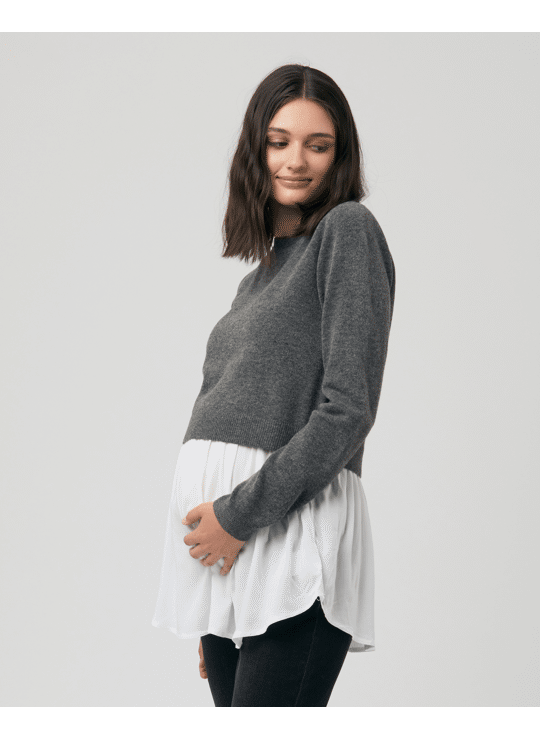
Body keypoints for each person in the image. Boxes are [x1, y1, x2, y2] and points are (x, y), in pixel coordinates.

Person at [152, 63, 396, 707]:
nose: (296, 161)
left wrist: (236, 517)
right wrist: (214, 595)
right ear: (255, 150)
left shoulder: (347, 232)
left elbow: (347, 411)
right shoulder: (257, 277)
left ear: (340, 156)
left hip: (288, 537)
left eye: (319, 145)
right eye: (279, 141)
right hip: (233, 560)